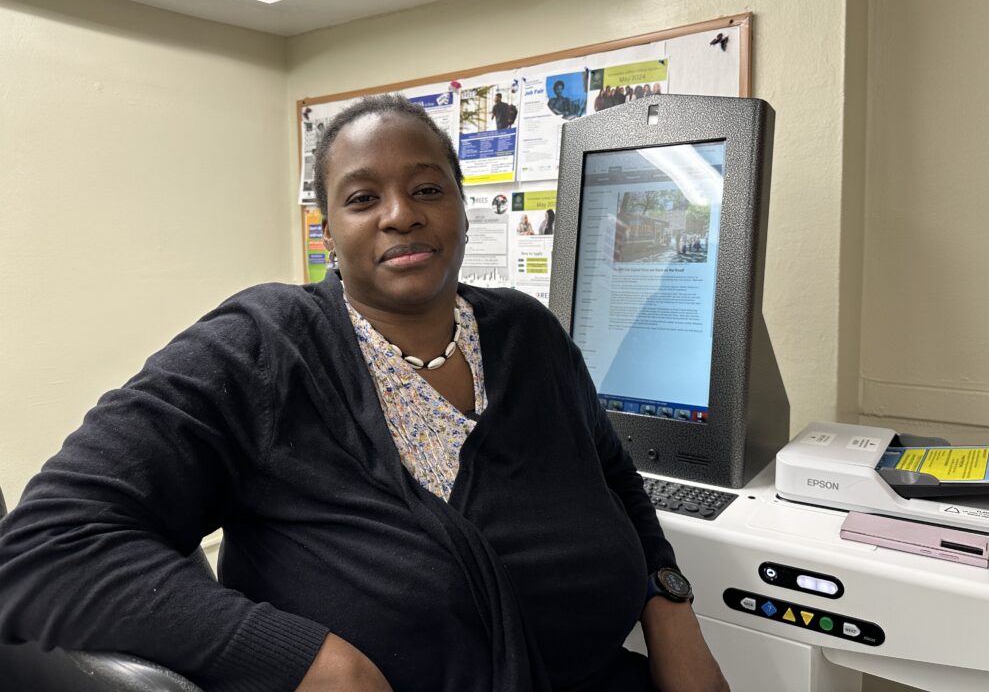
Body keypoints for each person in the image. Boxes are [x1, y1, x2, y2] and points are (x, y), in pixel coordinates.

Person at [0, 95, 728, 692]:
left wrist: (670, 608)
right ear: (327, 230)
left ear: (462, 208)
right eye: (361, 197)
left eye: (426, 189)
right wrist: (313, 662)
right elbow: (44, 548)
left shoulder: (528, 333)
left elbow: (610, 476)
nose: (399, 214)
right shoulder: (263, 346)